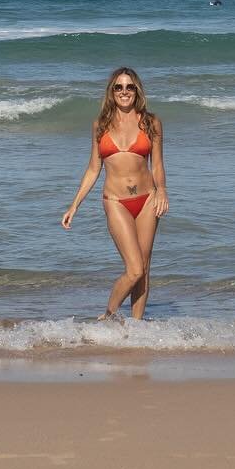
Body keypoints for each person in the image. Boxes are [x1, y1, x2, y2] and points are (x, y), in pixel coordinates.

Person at [61, 67, 168, 320]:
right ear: (112, 92)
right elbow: (93, 168)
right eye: (118, 87)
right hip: (116, 201)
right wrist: (74, 205)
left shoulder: (151, 122)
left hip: (148, 199)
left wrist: (162, 190)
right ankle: (108, 316)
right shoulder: (101, 125)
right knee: (134, 269)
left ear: (137, 90)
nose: (124, 92)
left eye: (129, 87)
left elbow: (158, 165)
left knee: (144, 269)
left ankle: (135, 328)